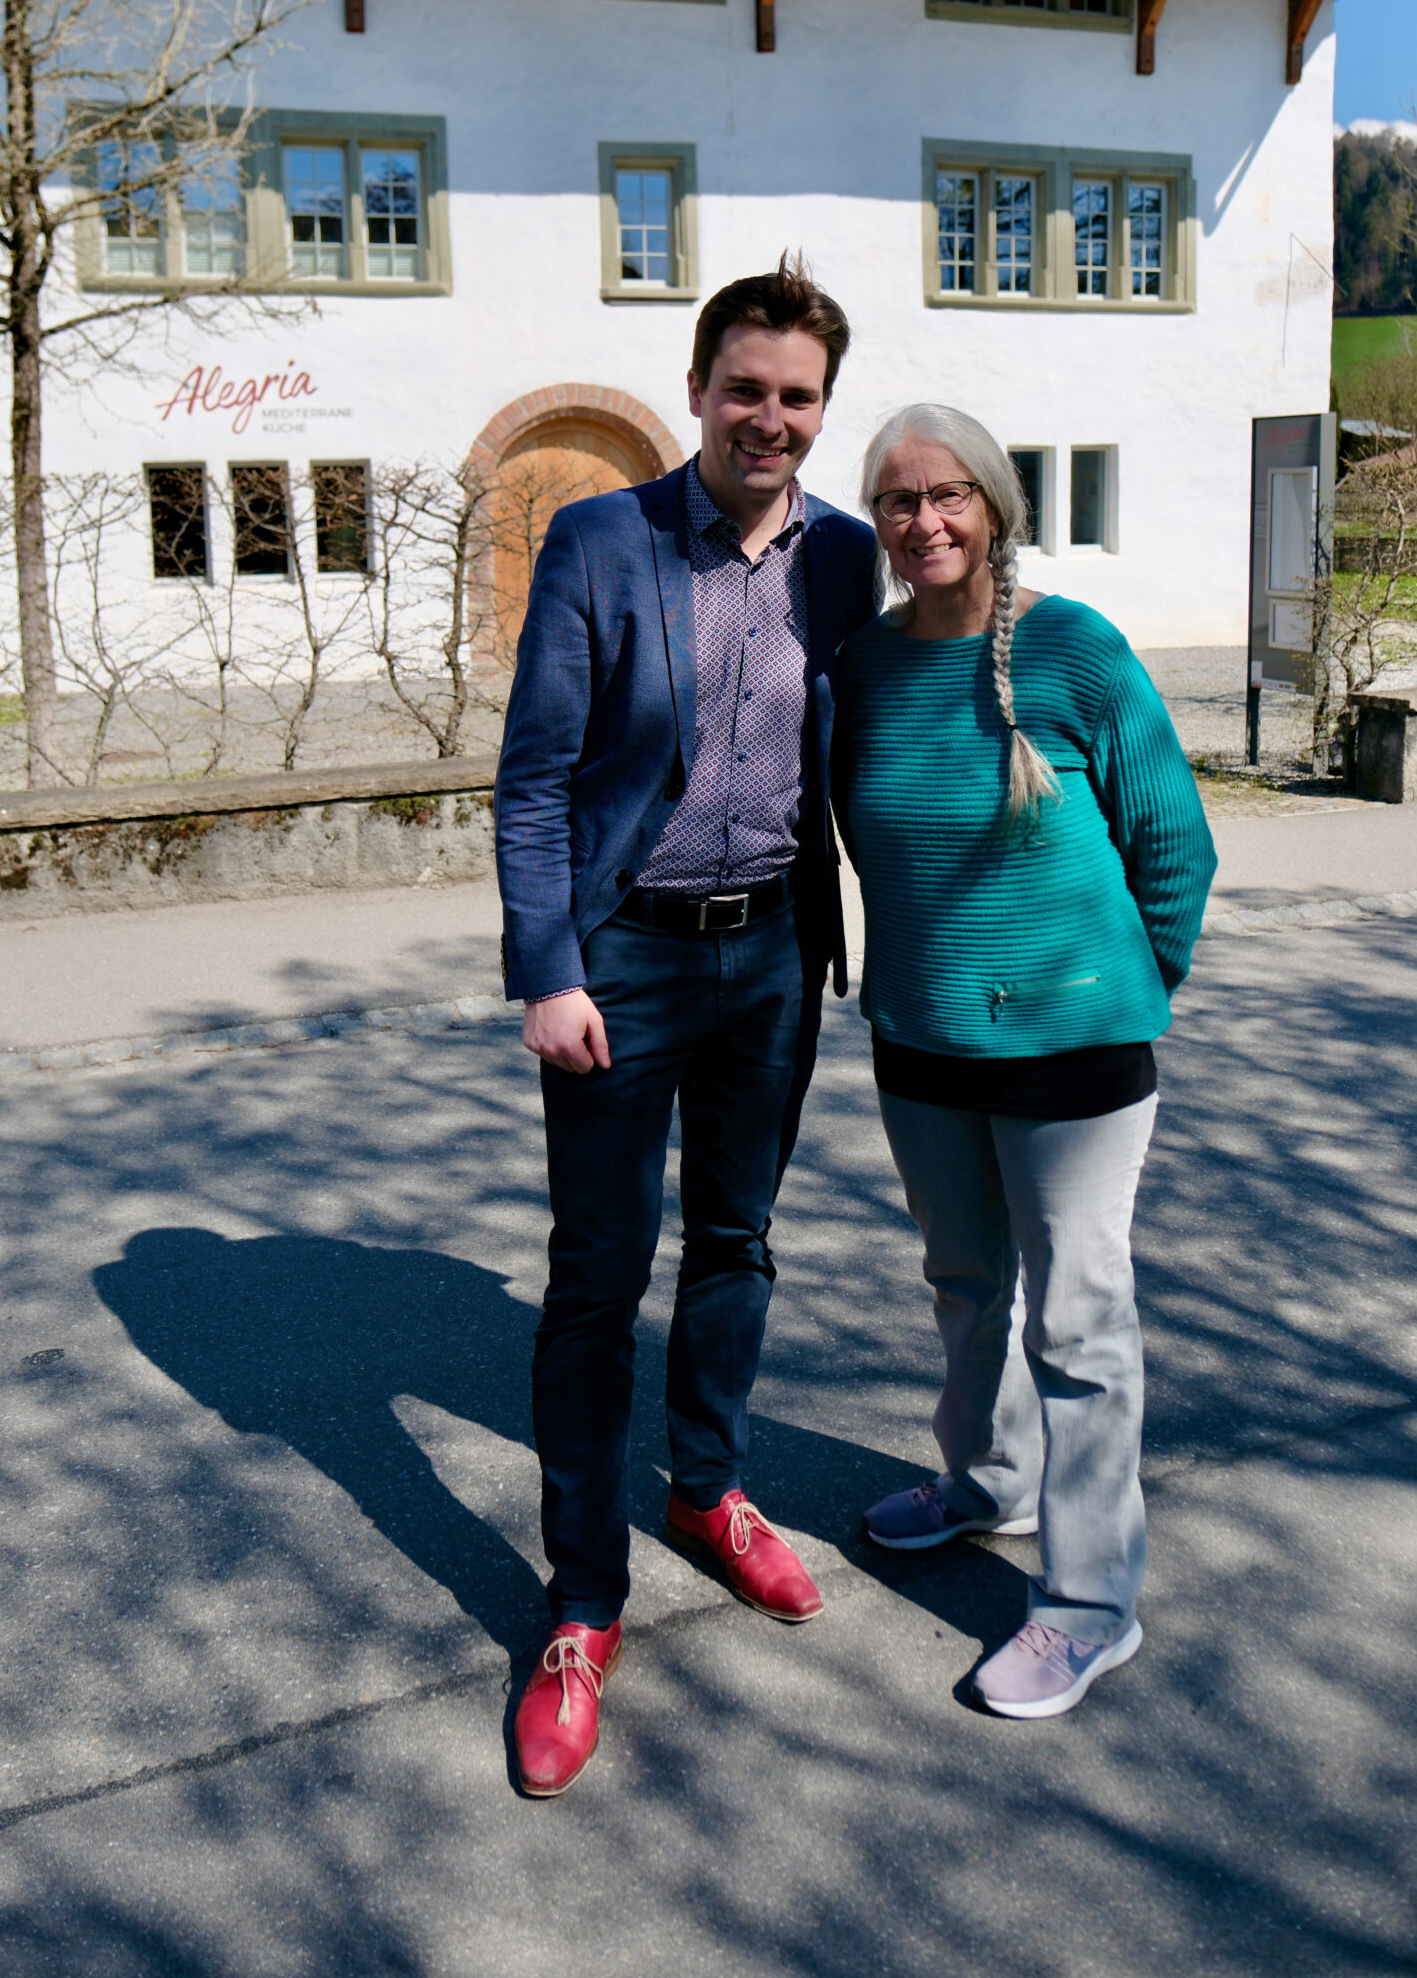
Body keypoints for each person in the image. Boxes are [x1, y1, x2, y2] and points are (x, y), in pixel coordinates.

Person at [495, 261, 878, 1796]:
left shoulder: (846, 561)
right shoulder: (603, 537)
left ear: (818, 410)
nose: (768, 418)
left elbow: (921, 700)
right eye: (746, 389)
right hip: (626, 959)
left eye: (797, 398)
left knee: (741, 1240)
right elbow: (535, 777)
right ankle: (584, 1605)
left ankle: (708, 1491)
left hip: (778, 948)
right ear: (702, 386)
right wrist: (548, 966)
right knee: (596, 1280)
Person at [832, 402, 1215, 1719]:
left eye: (947, 496)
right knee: (960, 1284)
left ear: (994, 505)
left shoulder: (1074, 649)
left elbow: (1176, 846)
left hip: (1077, 1055)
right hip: (923, 1041)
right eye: (896, 501)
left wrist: (1119, 992)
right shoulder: (866, 666)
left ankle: (1092, 1606)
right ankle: (983, 1486)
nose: (923, 521)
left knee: (1079, 1323)